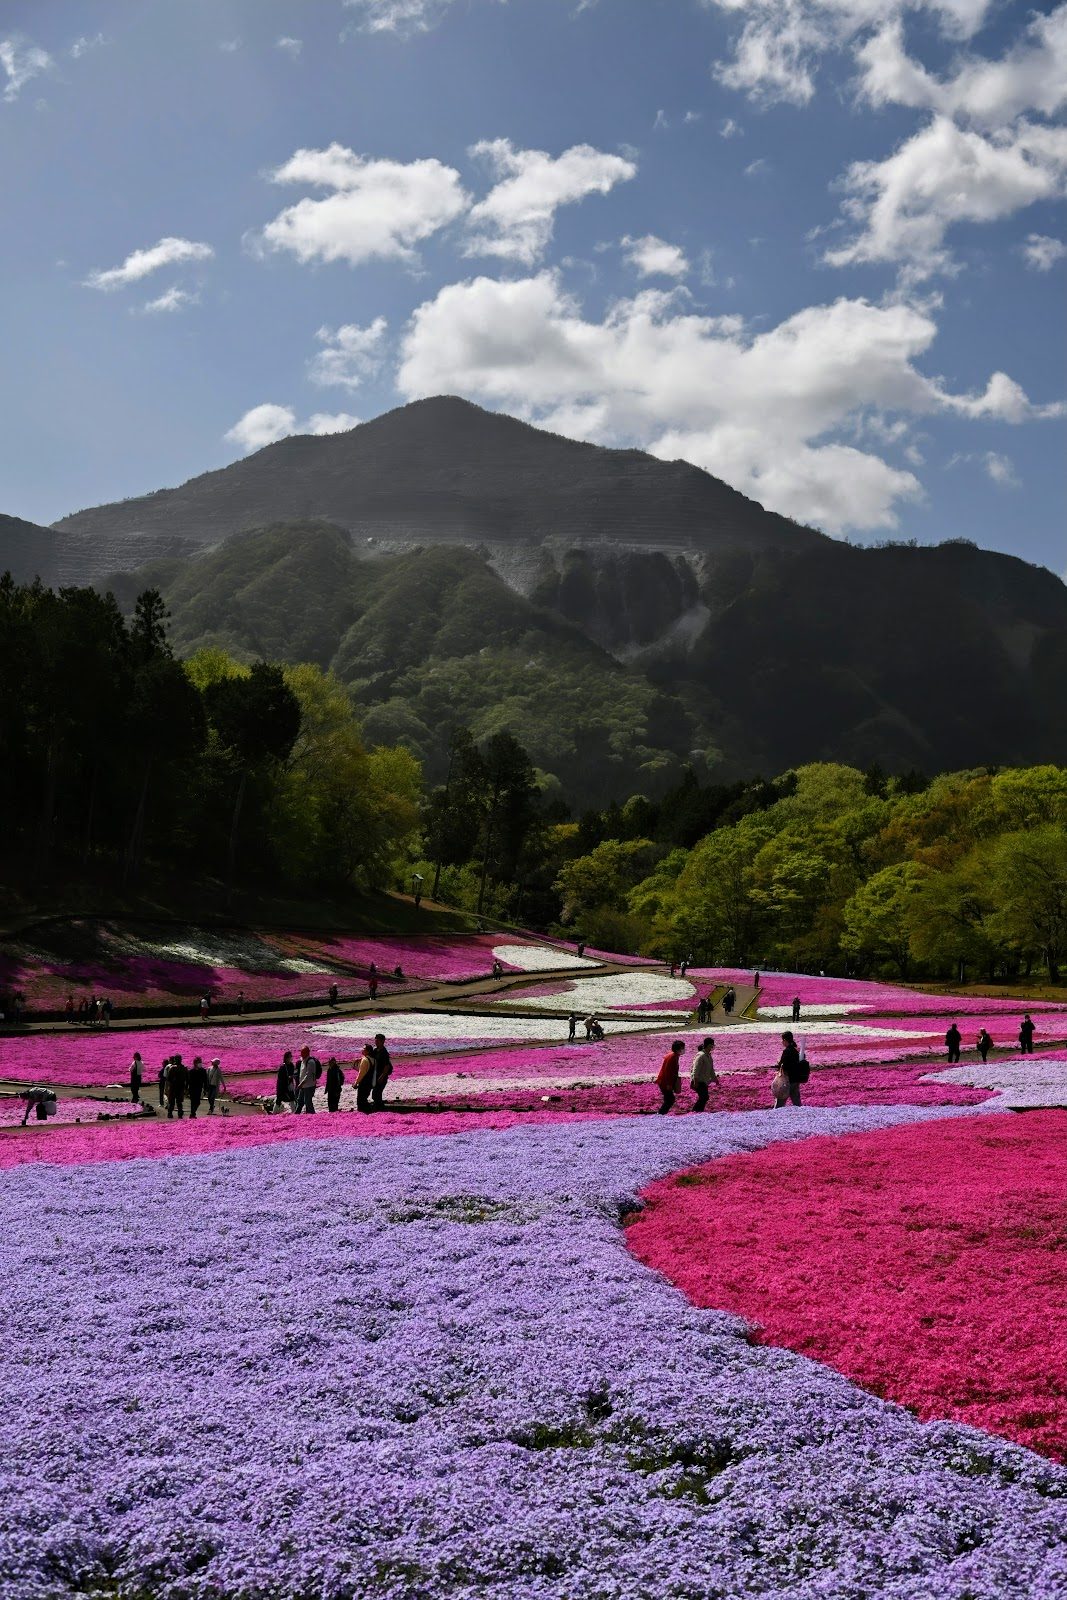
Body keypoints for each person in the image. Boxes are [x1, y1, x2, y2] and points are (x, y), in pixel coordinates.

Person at [772, 1031, 804, 1108]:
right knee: (796, 1101)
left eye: (782, 1040)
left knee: (781, 1098)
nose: (782, 1042)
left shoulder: (787, 1051)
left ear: (785, 1040)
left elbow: (783, 1065)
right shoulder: (796, 1050)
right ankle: (801, 1114)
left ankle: (775, 1114)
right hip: (796, 1078)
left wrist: (779, 1064)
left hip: (787, 1079)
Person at [656, 1040, 685, 1115]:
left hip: (664, 1080)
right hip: (665, 1082)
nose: (683, 1050)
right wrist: (669, 1084)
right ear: (678, 1049)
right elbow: (668, 1071)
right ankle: (660, 1114)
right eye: (682, 1048)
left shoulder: (673, 1055)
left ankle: (661, 1114)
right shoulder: (673, 1057)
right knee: (670, 1099)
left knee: (668, 1099)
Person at [690, 1037, 718, 1112]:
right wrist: (695, 1081)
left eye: (713, 1045)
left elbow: (711, 1069)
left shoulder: (708, 1056)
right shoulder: (701, 1055)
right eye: (711, 1045)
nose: (712, 1047)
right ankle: (695, 1111)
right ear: (707, 1045)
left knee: (704, 1097)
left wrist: (715, 1079)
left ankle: (698, 1111)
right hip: (698, 1081)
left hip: (704, 1080)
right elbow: (695, 1069)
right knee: (704, 1097)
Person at [295, 1046, 321, 1113]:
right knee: (300, 1101)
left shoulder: (311, 1062)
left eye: (303, 1053)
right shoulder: (303, 1061)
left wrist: (301, 1084)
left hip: (309, 1086)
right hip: (303, 1086)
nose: (301, 1054)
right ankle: (296, 1115)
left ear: (306, 1053)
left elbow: (308, 1075)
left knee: (308, 1102)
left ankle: (313, 1115)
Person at [371, 1034, 392, 1111]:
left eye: (378, 1040)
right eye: (375, 1040)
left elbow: (387, 1066)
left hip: (382, 1077)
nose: (376, 1042)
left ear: (383, 1041)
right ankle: (379, 1108)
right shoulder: (375, 1050)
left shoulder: (384, 1052)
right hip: (375, 1076)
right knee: (375, 1094)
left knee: (377, 1093)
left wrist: (382, 1076)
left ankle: (380, 1109)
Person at [167, 1055, 187, 1119]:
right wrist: (186, 1088)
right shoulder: (184, 1068)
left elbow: (168, 1078)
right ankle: (180, 1114)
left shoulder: (172, 1068)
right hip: (180, 1087)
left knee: (171, 1102)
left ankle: (170, 1114)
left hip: (173, 1087)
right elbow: (186, 1079)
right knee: (179, 1102)